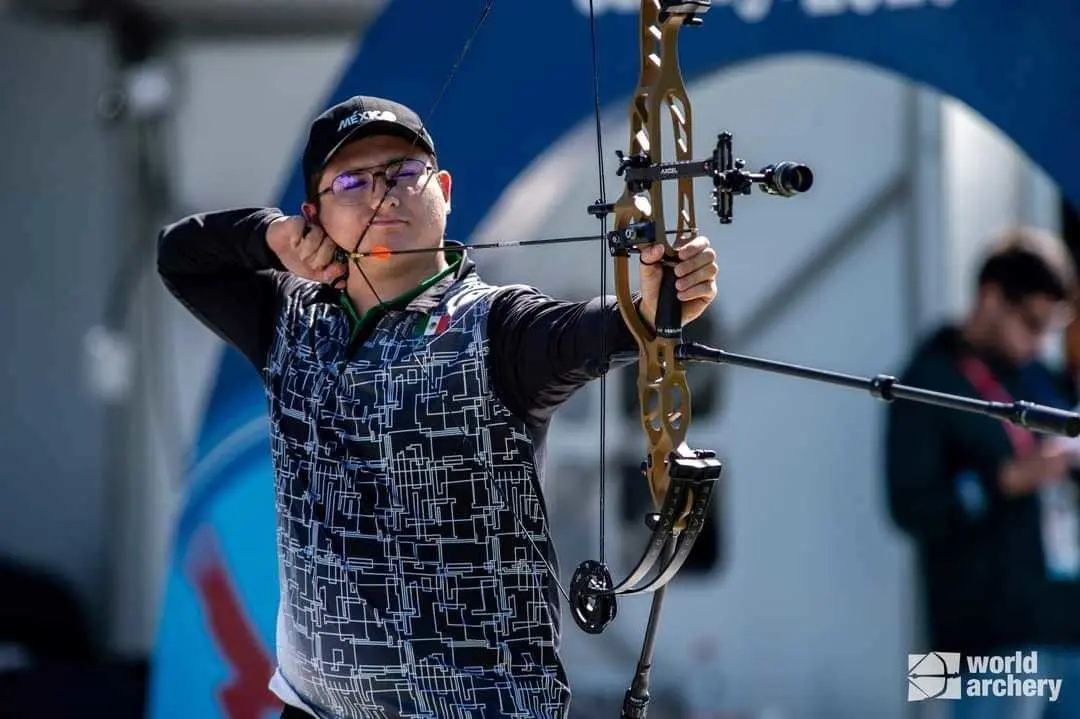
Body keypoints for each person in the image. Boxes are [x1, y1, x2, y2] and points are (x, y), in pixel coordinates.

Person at [156, 95, 719, 719]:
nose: (383, 194)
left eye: (403, 172)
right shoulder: (287, 317)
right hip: (315, 707)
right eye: (352, 181)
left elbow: (590, 334)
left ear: (443, 191)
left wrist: (650, 308)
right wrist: (268, 235)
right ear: (313, 216)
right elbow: (179, 257)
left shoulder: (498, 327)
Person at [885, 227, 1080, 717]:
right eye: (1033, 323)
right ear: (991, 298)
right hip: (969, 645)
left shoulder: (1042, 377)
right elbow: (907, 508)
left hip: (1065, 627)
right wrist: (1007, 480)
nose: (1040, 342)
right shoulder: (924, 378)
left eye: (1050, 329)